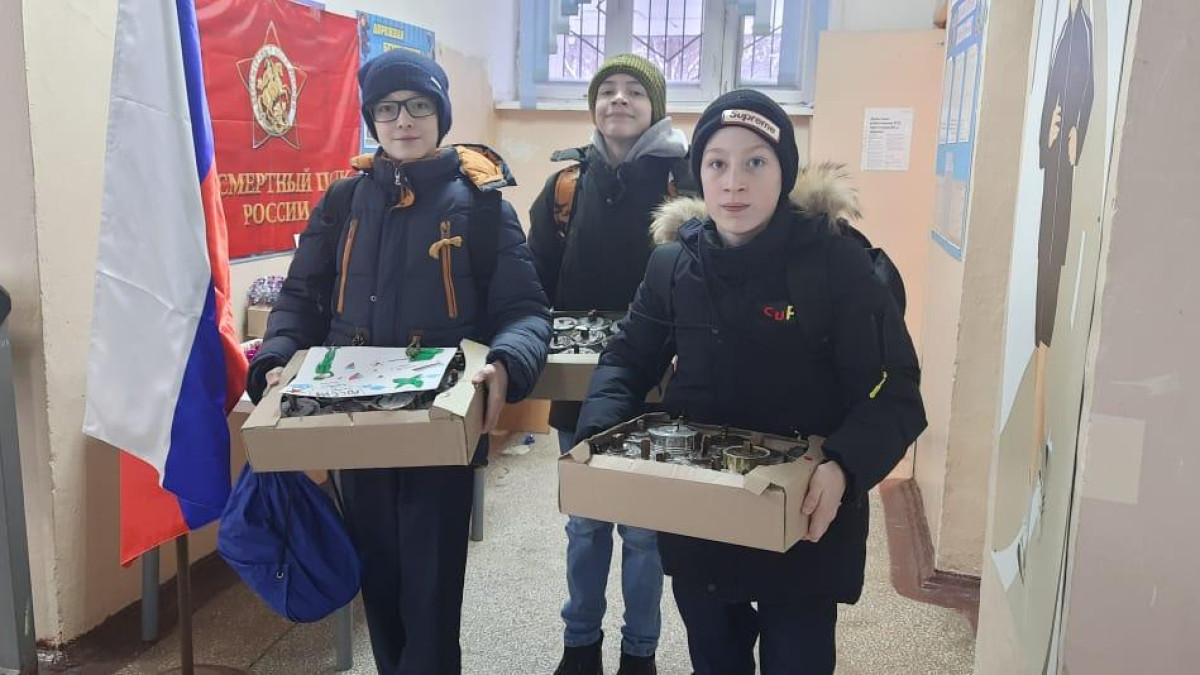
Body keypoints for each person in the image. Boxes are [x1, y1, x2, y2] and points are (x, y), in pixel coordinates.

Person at [574, 90, 927, 674]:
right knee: (715, 656)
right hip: (702, 513)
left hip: (806, 515)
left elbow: (894, 392)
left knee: (797, 657)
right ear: (700, 173)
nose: (734, 182)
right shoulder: (673, 264)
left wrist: (844, 467)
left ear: (783, 172)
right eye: (717, 163)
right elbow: (626, 359)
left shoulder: (836, 264)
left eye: (755, 162)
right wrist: (599, 437)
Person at [245, 50, 551, 675]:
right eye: (386, 109)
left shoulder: (482, 206)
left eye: (417, 105)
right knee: (377, 578)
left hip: (438, 426)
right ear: (372, 120)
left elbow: (525, 310)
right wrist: (276, 356)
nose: (402, 120)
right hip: (351, 422)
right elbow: (300, 297)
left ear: (440, 114)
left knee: (432, 589)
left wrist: (507, 363)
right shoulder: (343, 202)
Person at [528, 53, 692, 675]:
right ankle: (580, 645)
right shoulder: (567, 186)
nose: (618, 100)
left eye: (633, 91)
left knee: (644, 531)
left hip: (657, 384)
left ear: (656, 107)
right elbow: (534, 282)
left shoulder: (685, 184)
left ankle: (639, 652)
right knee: (585, 521)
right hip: (579, 384)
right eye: (607, 91)